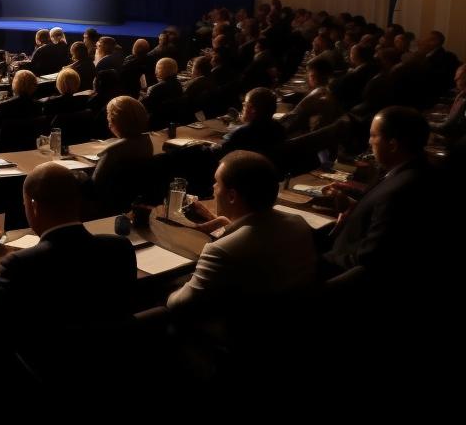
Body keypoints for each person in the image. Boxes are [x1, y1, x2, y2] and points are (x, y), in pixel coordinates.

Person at [0, 162, 136, 367]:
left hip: (46, 368)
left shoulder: (21, 265)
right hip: (111, 361)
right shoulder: (119, 248)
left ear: (34, 206)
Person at [165, 151, 317, 340]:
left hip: (237, 340)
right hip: (292, 328)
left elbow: (179, 305)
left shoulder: (222, 250)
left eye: (217, 183)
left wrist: (169, 290)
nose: (213, 188)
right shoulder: (298, 223)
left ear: (231, 196)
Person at [321, 106, 441, 292]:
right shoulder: (414, 169)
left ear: (392, 144)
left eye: (373, 135)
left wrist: (317, 264)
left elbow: (370, 258)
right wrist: (353, 206)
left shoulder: (400, 191)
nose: (369, 142)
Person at [90, 96, 154, 213]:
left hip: (108, 205)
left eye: (110, 119)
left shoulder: (112, 151)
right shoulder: (147, 142)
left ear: (117, 122)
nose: (109, 124)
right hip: (133, 200)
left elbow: (95, 185)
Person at [216, 88, 287, 166]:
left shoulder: (241, 134)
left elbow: (217, 154)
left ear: (253, 110)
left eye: (245, 104)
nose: (242, 107)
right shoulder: (278, 128)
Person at [281, 57, 341, 136]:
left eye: (308, 74)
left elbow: (293, 117)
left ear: (313, 76)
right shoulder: (328, 91)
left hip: (309, 140)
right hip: (321, 137)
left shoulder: (317, 94)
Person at [0, 69, 41, 138]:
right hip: (31, 143)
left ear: (15, 84)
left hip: (7, 144)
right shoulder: (39, 106)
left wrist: (0, 136)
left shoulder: (2, 106)